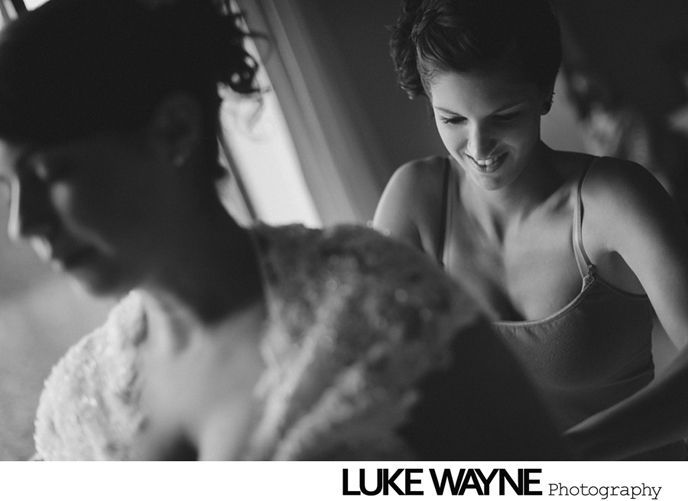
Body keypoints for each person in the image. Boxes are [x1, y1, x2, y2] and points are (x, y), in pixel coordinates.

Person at [0, 0, 568, 460]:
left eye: (52, 174)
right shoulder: (76, 403)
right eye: (6, 187)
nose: (23, 223)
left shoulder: (385, 313)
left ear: (175, 131)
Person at [374, 0, 688, 459]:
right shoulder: (416, 199)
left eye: (504, 116)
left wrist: (560, 456)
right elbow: (374, 374)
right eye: (453, 120)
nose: (479, 148)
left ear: (545, 94)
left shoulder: (614, 200)